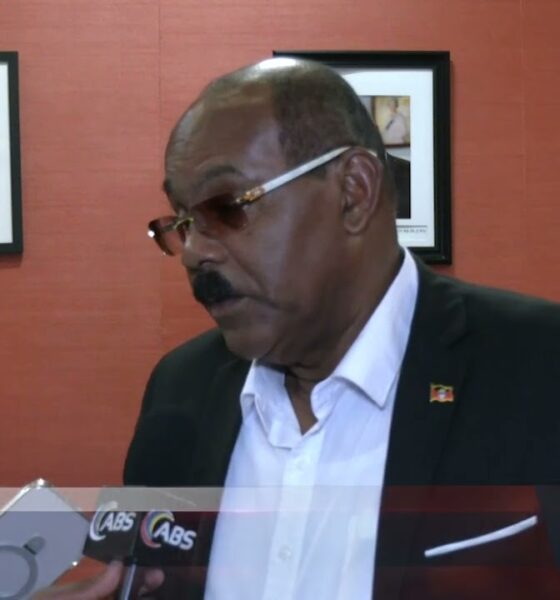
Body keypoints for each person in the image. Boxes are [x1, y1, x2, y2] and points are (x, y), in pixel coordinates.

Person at [37, 58, 560, 599]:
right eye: (183, 221)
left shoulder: (540, 369)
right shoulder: (179, 390)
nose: (193, 252)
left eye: (226, 208)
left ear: (354, 192)